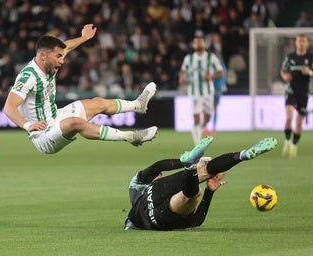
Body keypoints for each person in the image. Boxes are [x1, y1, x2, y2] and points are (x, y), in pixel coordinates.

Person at [3, 24, 158, 154]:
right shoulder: (28, 76)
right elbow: (9, 108)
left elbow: (67, 46)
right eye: (58, 56)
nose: (62, 60)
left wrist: (85, 37)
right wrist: (28, 125)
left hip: (56, 116)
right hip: (43, 135)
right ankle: (131, 137)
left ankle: (138, 105)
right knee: (75, 123)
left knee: (98, 103)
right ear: (43, 56)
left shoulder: (49, 62)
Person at [124, 136, 277, 231]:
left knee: (192, 193)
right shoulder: (136, 189)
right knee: (202, 175)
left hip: (157, 218)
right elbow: (159, 166)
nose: (160, 175)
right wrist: (209, 191)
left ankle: (190, 166)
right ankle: (241, 155)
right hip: (157, 206)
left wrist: (209, 192)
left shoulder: (137, 191)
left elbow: (197, 220)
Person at [179, 31, 224, 145]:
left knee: (208, 117)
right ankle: (197, 145)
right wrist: (182, 78)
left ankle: (199, 127)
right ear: (193, 45)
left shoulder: (211, 57)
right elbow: (183, 71)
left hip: (208, 92)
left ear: (204, 44)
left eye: (200, 42)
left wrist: (211, 76)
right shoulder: (188, 58)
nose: (198, 44)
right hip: (194, 92)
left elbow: (220, 72)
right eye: (196, 43)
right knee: (196, 117)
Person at [280, 34, 313, 159]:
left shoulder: (310, 58)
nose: (301, 43)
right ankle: (287, 141)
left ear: (306, 43)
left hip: (303, 93)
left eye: (303, 41)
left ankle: (294, 146)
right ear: (296, 43)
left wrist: (309, 72)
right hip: (290, 91)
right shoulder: (290, 57)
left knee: (298, 123)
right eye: (299, 41)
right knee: (289, 117)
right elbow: (283, 70)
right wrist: (284, 77)